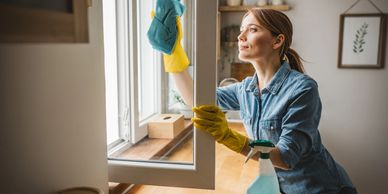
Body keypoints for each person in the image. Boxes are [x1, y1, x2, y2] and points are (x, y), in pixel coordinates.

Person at [154, 6, 357, 194]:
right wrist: (172, 53)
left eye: (251, 30)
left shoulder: (302, 88)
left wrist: (227, 136)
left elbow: (286, 158)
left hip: (320, 189)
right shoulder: (245, 89)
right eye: (241, 30)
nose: (240, 36)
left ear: (277, 41)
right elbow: (197, 100)